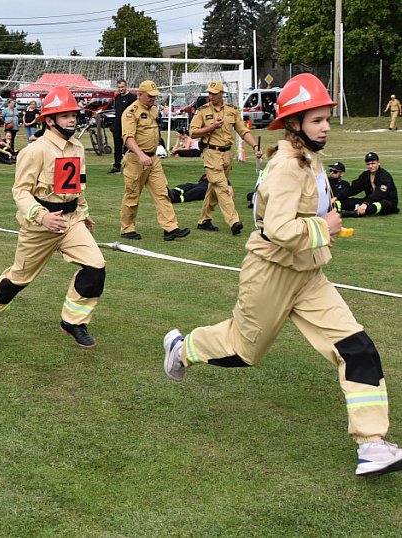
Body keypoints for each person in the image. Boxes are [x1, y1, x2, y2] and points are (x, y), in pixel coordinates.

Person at [163, 73, 402, 477]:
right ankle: (183, 349)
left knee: (358, 348)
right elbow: (278, 228)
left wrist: (324, 227)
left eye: (327, 117)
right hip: (271, 273)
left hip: (309, 275)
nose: (326, 126)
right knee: (243, 352)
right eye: (316, 120)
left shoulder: (311, 158)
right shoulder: (286, 166)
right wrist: (324, 226)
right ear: (294, 124)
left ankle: (372, 444)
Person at [0, 86, 106, 349]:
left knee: (96, 266)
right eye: (65, 115)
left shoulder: (78, 147)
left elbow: (77, 185)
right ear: (49, 120)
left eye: (74, 115)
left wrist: (84, 213)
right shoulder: (34, 151)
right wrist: (42, 217)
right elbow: (21, 191)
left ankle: (73, 321)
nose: (72, 120)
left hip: (72, 222)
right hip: (39, 227)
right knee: (19, 278)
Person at [119, 80, 190, 242]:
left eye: (155, 96)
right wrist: (141, 155)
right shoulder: (131, 112)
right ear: (140, 94)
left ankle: (170, 228)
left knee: (162, 192)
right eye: (150, 96)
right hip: (135, 159)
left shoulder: (154, 110)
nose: (153, 99)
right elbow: (128, 138)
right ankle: (127, 229)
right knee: (132, 195)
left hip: (153, 158)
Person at [190, 80, 263, 234]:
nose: (211, 96)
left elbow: (243, 131)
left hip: (227, 154)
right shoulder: (202, 111)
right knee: (222, 187)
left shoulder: (232, 111)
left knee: (214, 188)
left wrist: (255, 146)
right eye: (209, 93)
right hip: (211, 153)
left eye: (214, 93)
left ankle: (204, 220)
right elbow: (193, 132)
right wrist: (211, 127)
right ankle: (233, 221)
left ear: (222, 94)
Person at [335, 152, 399, 217]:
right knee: (345, 201)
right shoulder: (365, 175)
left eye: (373, 163)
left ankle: (354, 213)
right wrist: (337, 197)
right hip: (370, 201)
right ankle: (335, 207)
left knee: (382, 204)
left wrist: (366, 203)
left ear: (378, 163)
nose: (370, 166)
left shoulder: (384, 176)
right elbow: (354, 188)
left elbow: (379, 193)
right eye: (368, 164)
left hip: (387, 202)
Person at [109, 79, 137, 174]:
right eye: (119, 87)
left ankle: (130, 165)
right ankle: (117, 166)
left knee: (128, 146)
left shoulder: (132, 98)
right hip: (117, 126)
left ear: (126, 86)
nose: (121, 89)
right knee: (117, 147)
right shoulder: (117, 98)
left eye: (122, 87)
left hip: (127, 127)